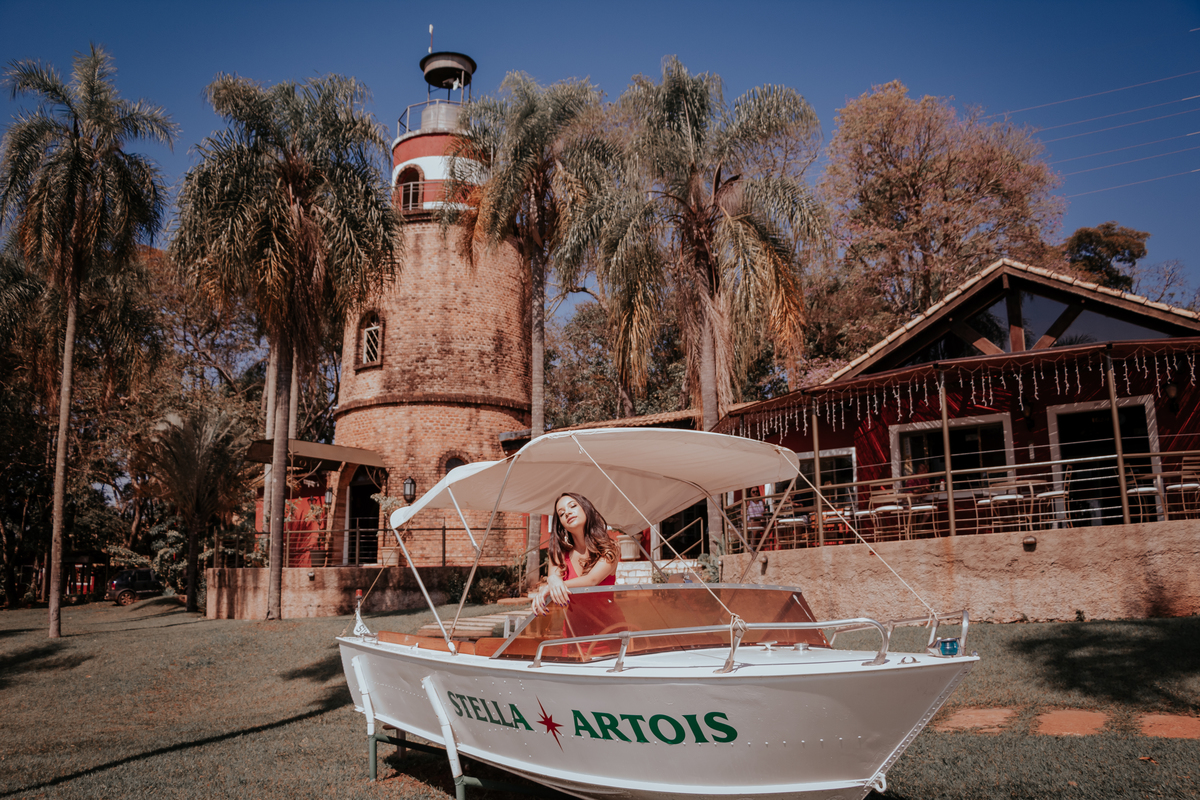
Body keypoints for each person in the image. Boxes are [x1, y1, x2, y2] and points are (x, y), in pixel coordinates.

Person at [531, 492, 619, 615]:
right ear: (561, 524)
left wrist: (552, 584)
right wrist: (551, 580)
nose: (567, 513)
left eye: (573, 506)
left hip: (609, 629)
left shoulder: (610, 548)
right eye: (561, 514)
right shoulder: (559, 554)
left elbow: (592, 580)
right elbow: (554, 580)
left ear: (586, 509)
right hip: (573, 631)